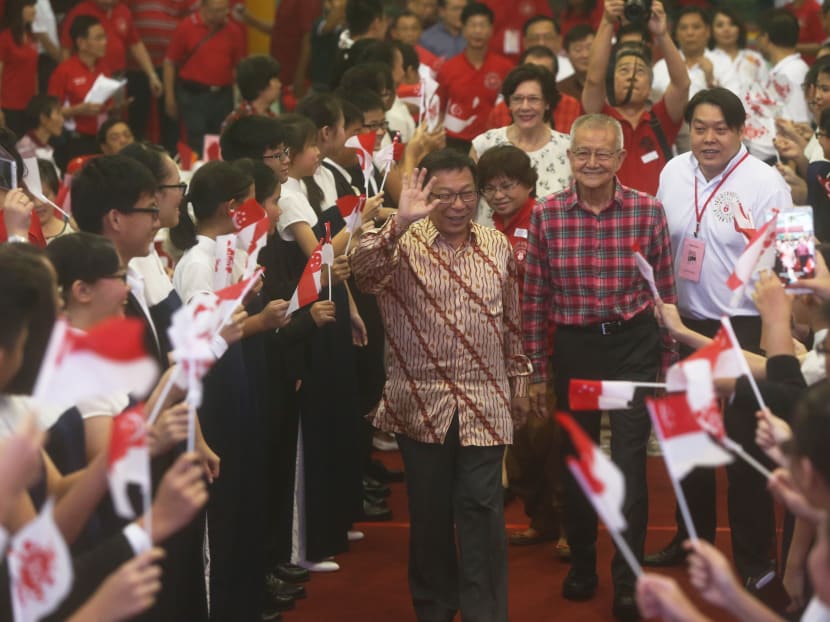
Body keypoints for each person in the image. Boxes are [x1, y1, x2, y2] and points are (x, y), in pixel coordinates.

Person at [352, 150, 532, 622]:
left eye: (467, 194)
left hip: (485, 401)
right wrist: (398, 223)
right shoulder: (401, 243)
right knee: (429, 517)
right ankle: (434, 608)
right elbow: (363, 272)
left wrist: (521, 381)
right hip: (420, 404)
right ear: (426, 196)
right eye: (445, 196)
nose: (457, 205)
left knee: (483, 512)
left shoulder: (496, 245)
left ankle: (484, 613)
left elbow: (512, 322)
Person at [523, 113, 676, 622]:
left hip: (632, 348)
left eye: (602, 153)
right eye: (582, 153)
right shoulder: (546, 215)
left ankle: (628, 578)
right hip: (578, 351)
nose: (592, 162)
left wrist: (667, 361)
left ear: (620, 159)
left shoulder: (648, 212)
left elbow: (664, 292)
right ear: (569, 158)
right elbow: (535, 298)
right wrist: (536, 369)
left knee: (630, 465)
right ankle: (583, 564)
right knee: (582, 460)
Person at [647, 87, 793, 583]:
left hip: (745, 328)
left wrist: (789, 330)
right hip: (684, 324)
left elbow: (796, 261)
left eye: (720, 129)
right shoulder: (673, 172)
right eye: (700, 128)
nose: (709, 139)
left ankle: (755, 561)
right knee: (688, 442)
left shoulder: (767, 182)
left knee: (744, 450)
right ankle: (692, 542)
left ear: (740, 131)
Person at [581, 0, 689, 197]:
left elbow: (682, 85)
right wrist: (607, 22)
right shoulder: (600, 117)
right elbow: (594, 80)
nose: (631, 76)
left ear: (650, 85)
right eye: (623, 70)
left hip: (656, 212)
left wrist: (662, 34)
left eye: (640, 71)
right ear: (611, 81)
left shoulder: (660, 119)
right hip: (607, 212)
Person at [471, 63, 572, 201]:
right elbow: (469, 198)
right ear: (509, 103)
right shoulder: (485, 144)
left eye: (533, 99)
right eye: (517, 99)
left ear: (547, 103)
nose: (525, 107)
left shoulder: (568, 147)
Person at [163, 0, 244, 154]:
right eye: (216, 10)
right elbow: (170, 63)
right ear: (203, 8)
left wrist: (240, 96)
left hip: (223, 95)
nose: (221, 15)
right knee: (196, 140)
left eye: (224, 10)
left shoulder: (233, 30)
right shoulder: (186, 27)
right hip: (193, 95)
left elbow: (238, 66)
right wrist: (169, 96)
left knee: (221, 139)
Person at [437, 2, 513, 153]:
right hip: (455, 143)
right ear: (463, 29)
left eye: (483, 25)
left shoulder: (506, 67)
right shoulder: (448, 68)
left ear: (491, 29)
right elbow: (439, 110)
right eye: (472, 25)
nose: (478, 31)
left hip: (493, 143)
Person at [744, 9, 811, 164]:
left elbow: (799, 126)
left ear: (765, 38)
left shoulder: (792, 72)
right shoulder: (783, 70)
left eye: (758, 36)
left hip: (786, 159)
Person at [47, 15, 112, 159]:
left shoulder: (104, 68)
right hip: (75, 141)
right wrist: (78, 110)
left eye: (104, 37)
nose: (105, 42)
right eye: (98, 38)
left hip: (101, 139)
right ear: (81, 43)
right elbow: (50, 112)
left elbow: (107, 104)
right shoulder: (64, 71)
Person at [707, 7, 768, 99]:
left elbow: (766, 89)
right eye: (720, 25)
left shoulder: (755, 58)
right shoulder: (706, 58)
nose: (726, 29)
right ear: (710, 31)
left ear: (739, 28)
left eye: (732, 24)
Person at [0, 0, 39, 137]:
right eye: (29, 6)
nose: (34, 10)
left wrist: (37, 100)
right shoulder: (5, 37)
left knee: (29, 147)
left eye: (34, 6)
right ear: (18, 9)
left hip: (30, 106)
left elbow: (34, 71)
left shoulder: (31, 36)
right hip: (10, 106)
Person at [221, 54, 281, 133]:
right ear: (260, 85)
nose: (279, 85)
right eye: (274, 80)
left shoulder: (274, 119)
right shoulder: (236, 122)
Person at [15, 94, 63, 171]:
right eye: (58, 113)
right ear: (43, 118)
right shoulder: (26, 150)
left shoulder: (46, 147)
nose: (62, 120)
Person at [522, 15, 573, 81]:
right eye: (534, 38)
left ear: (559, 41)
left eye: (548, 37)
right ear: (525, 43)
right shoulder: (518, 72)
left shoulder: (572, 71)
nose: (541, 43)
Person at [557, 24, 594, 100]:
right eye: (578, 50)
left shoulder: (614, 83)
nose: (585, 55)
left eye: (590, 48)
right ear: (567, 54)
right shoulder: (561, 89)